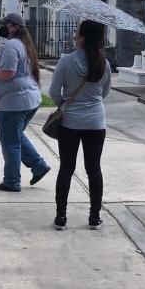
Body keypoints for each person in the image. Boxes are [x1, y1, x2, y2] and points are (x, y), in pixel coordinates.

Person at [48, 20, 111, 230]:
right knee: (94, 169)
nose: (74, 34)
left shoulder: (66, 61)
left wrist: (65, 105)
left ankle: (61, 216)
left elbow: (54, 92)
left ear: (82, 36)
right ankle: (94, 217)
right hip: (96, 121)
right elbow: (105, 92)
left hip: (70, 122)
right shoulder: (104, 63)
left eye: (77, 31)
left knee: (66, 168)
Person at [0, 13, 51, 192]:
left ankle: (12, 180)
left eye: (4, 25)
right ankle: (38, 165)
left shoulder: (13, 45)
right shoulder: (24, 45)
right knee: (16, 136)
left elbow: (8, 73)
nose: (1, 28)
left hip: (15, 102)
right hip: (28, 99)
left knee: (10, 141)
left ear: (13, 27)